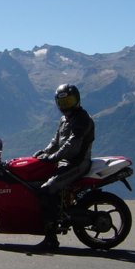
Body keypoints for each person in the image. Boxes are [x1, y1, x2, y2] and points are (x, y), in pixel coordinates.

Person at [32, 84, 95, 250]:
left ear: (77, 99)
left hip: (78, 163)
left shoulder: (82, 119)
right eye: (63, 103)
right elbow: (56, 140)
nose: (66, 105)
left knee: (47, 189)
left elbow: (72, 145)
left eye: (69, 101)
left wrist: (52, 157)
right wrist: (44, 152)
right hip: (66, 162)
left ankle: (51, 238)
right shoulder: (65, 119)